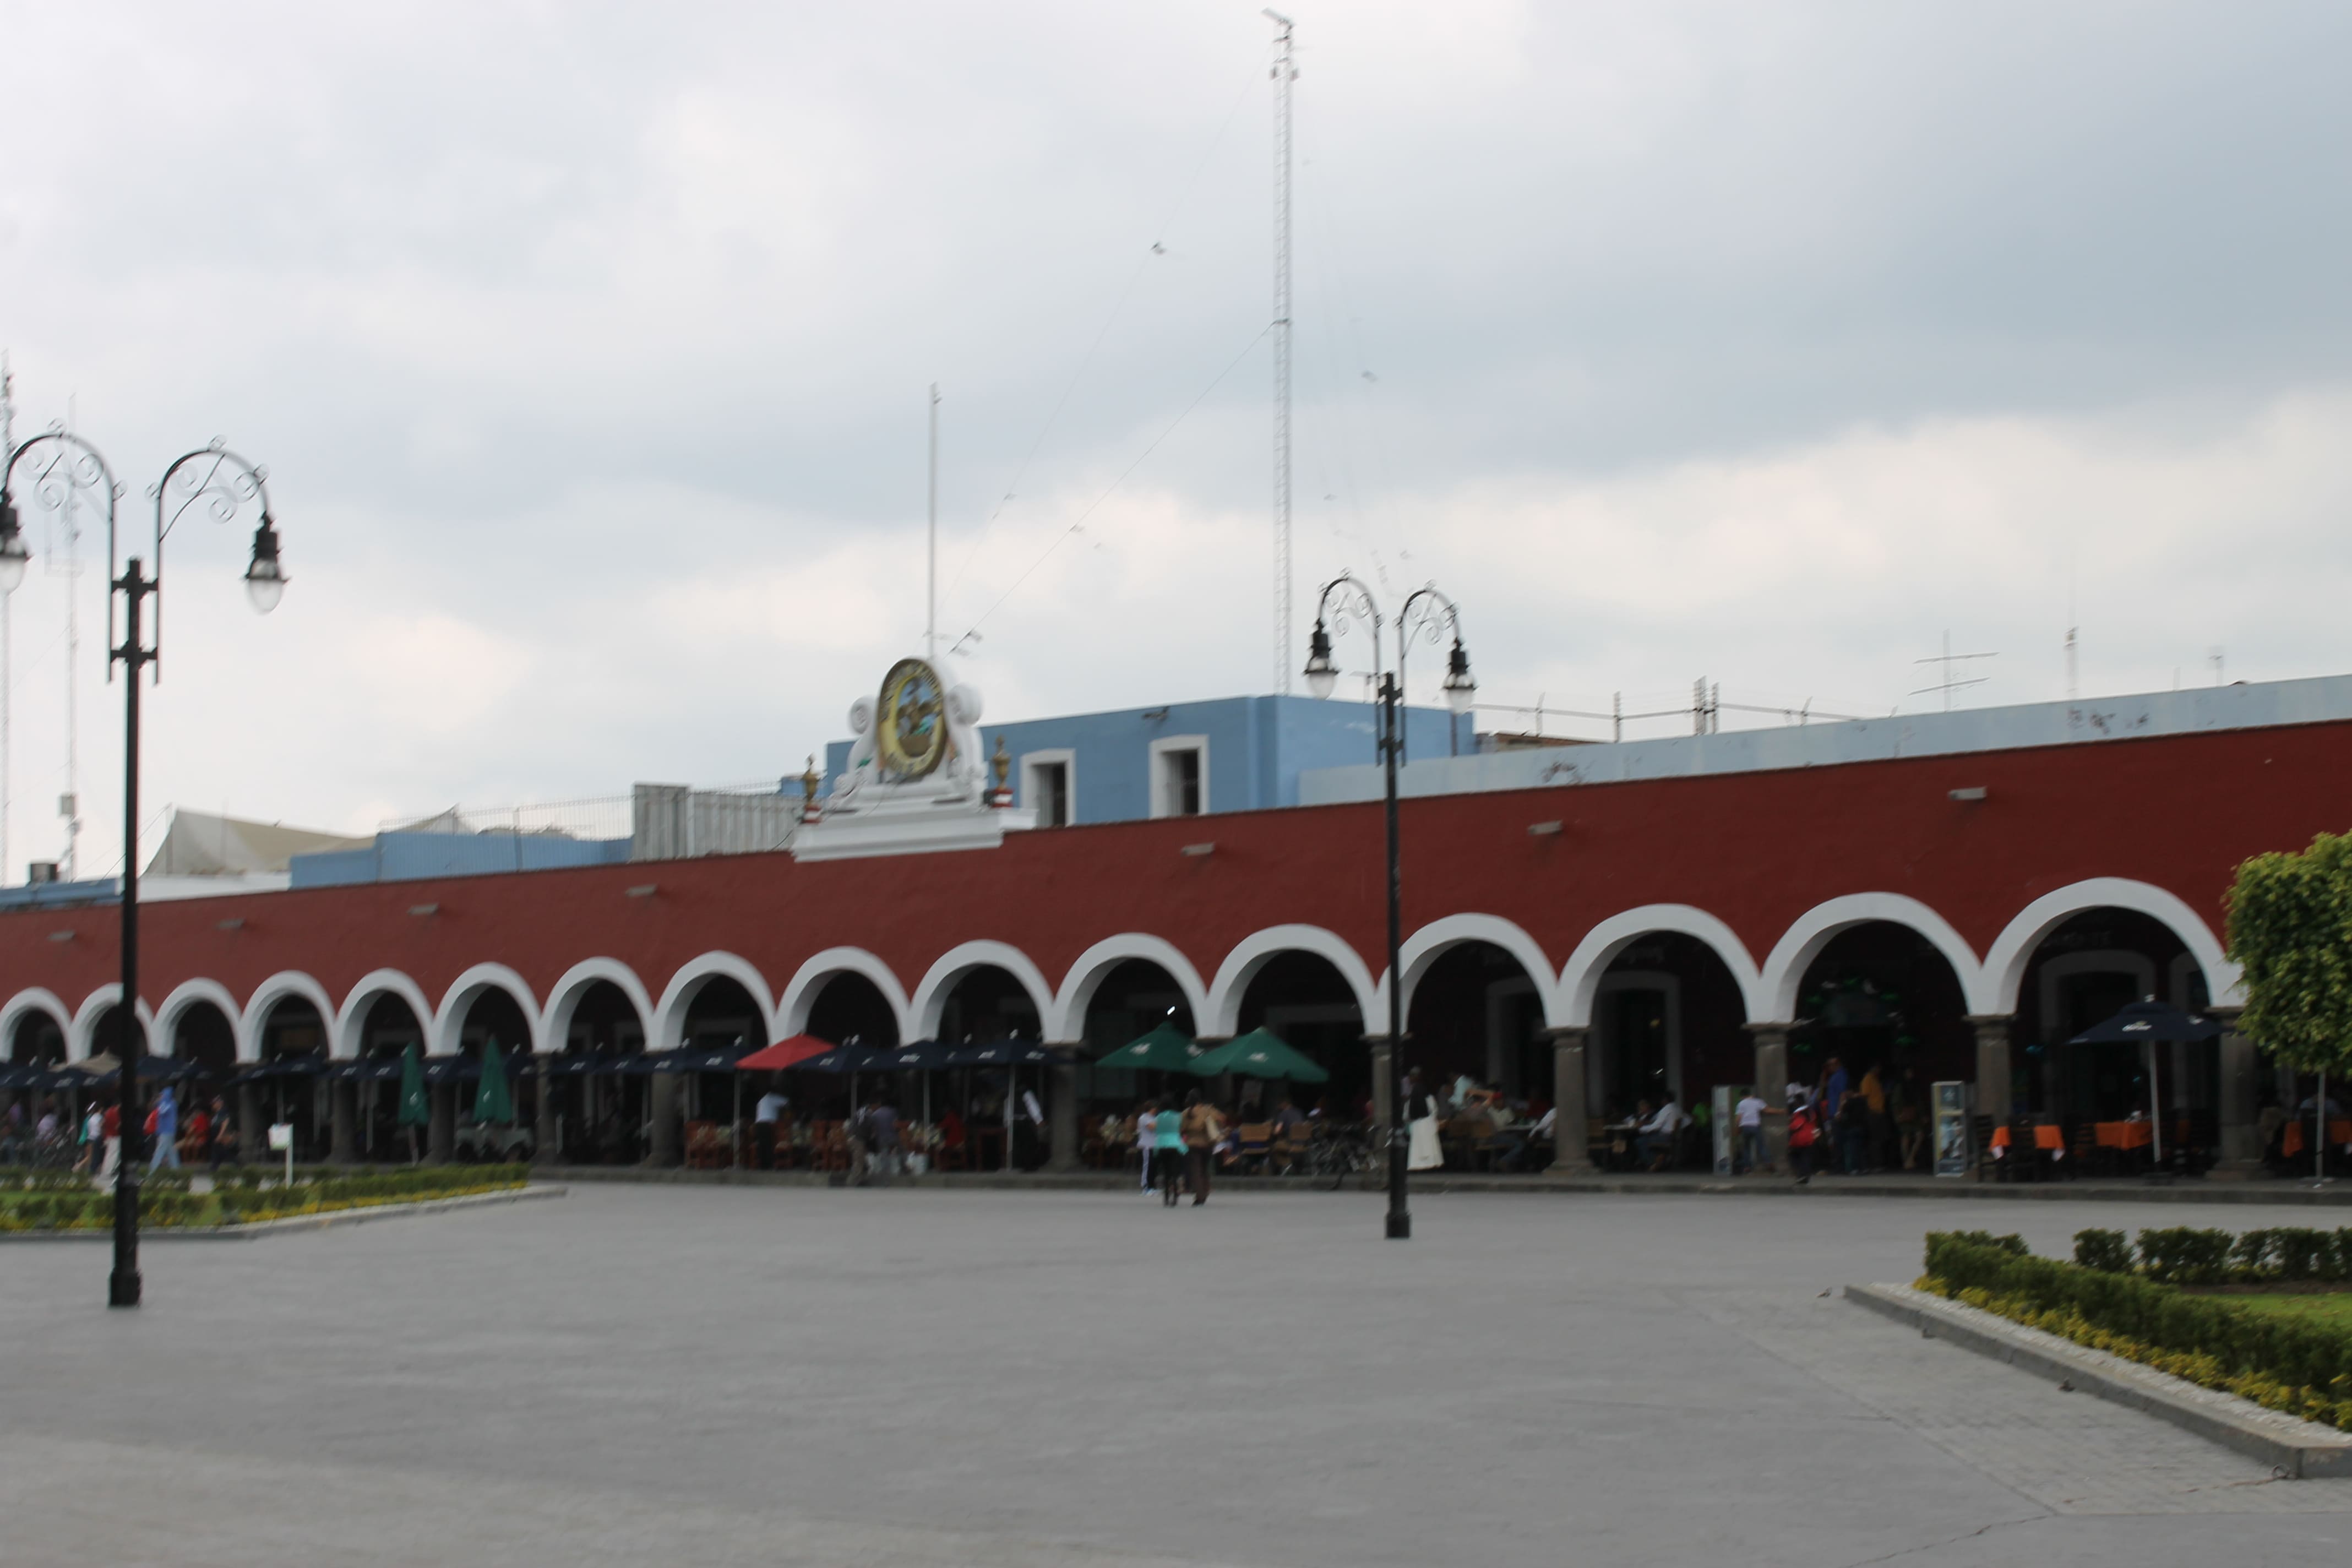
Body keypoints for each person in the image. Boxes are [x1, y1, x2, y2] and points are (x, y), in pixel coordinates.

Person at [1178, 1090, 1223, 1207]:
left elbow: (1181, 1129)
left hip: (1192, 1144)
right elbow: (1222, 1119)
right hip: (1208, 1144)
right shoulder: (1208, 1110)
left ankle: (1200, 1196)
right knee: (1204, 1169)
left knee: (1195, 1171)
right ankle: (1205, 1191)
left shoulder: (1186, 1113)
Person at [1404, 1070, 1443, 1173]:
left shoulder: (1410, 1101)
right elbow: (1434, 1110)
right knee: (1430, 1146)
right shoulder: (1429, 1098)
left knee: (1418, 1147)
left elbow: (1406, 1116)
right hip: (1428, 1123)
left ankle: (1418, 1166)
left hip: (1416, 1125)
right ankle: (1431, 1165)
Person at [1153, 1093, 1188, 1206]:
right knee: (1175, 1171)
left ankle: (1167, 1197)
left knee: (1166, 1171)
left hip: (1162, 1145)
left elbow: (1156, 1131)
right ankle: (1175, 1196)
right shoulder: (1178, 1116)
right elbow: (1181, 1129)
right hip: (1175, 1144)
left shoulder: (1158, 1117)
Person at [1636, 1093, 1685, 1171]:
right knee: (1647, 1139)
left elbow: (1656, 1126)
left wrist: (1641, 1129)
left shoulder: (1667, 1109)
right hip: (1671, 1136)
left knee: (1640, 1141)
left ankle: (1653, 1164)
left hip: (1663, 1137)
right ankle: (1658, 1160)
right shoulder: (1678, 1108)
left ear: (1665, 1100)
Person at [753, 1083, 788, 1170]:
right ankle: (769, 1164)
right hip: (768, 1124)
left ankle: (763, 1165)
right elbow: (786, 1102)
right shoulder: (773, 1098)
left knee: (762, 1145)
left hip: (759, 1124)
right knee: (770, 1144)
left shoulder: (761, 1100)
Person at [146, 1087, 181, 1173]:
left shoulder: (170, 1104)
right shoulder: (167, 1103)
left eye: (162, 1095)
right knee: (172, 1153)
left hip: (167, 1132)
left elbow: (162, 1111)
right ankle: (177, 1171)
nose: (161, 1097)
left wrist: (159, 1102)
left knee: (159, 1151)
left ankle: (151, 1172)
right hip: (167, 1131)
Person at [1734, 1087, 1766, 1174]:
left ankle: (1747, 1167)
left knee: (1746, 1148)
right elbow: (1767, 1110)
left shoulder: (1741, 1104)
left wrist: (1737, 1130)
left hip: (1745, 1127)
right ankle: (1768, 1162)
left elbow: (1738, 1118)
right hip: (1755, 1126)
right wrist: (1780, 1111)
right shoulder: (1757, 1101)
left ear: (1742, 1096)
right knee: (1761, 1146)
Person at [1787, 1099, 1819, 1184]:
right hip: (1810, 1137)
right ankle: (1805, 1175)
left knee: (1795, 1157)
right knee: (1806, 1157)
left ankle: (1801, 1175)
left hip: (1800, 1139)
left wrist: (1790, 1124)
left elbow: (1795, 1126)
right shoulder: (1811, 1113)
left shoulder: (1799, 1114)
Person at [1135, 1101, 1160, 1195]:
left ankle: (1153, 1185)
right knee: (1148, 1165)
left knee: (1154, 1166)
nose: (1156, 1110)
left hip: (1155, 1144)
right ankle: (1146, 1186)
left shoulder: (1154, 1118)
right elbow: (1152, 1127)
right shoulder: (1144, 1118)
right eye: (1155, 1108)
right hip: (1146, 1145)